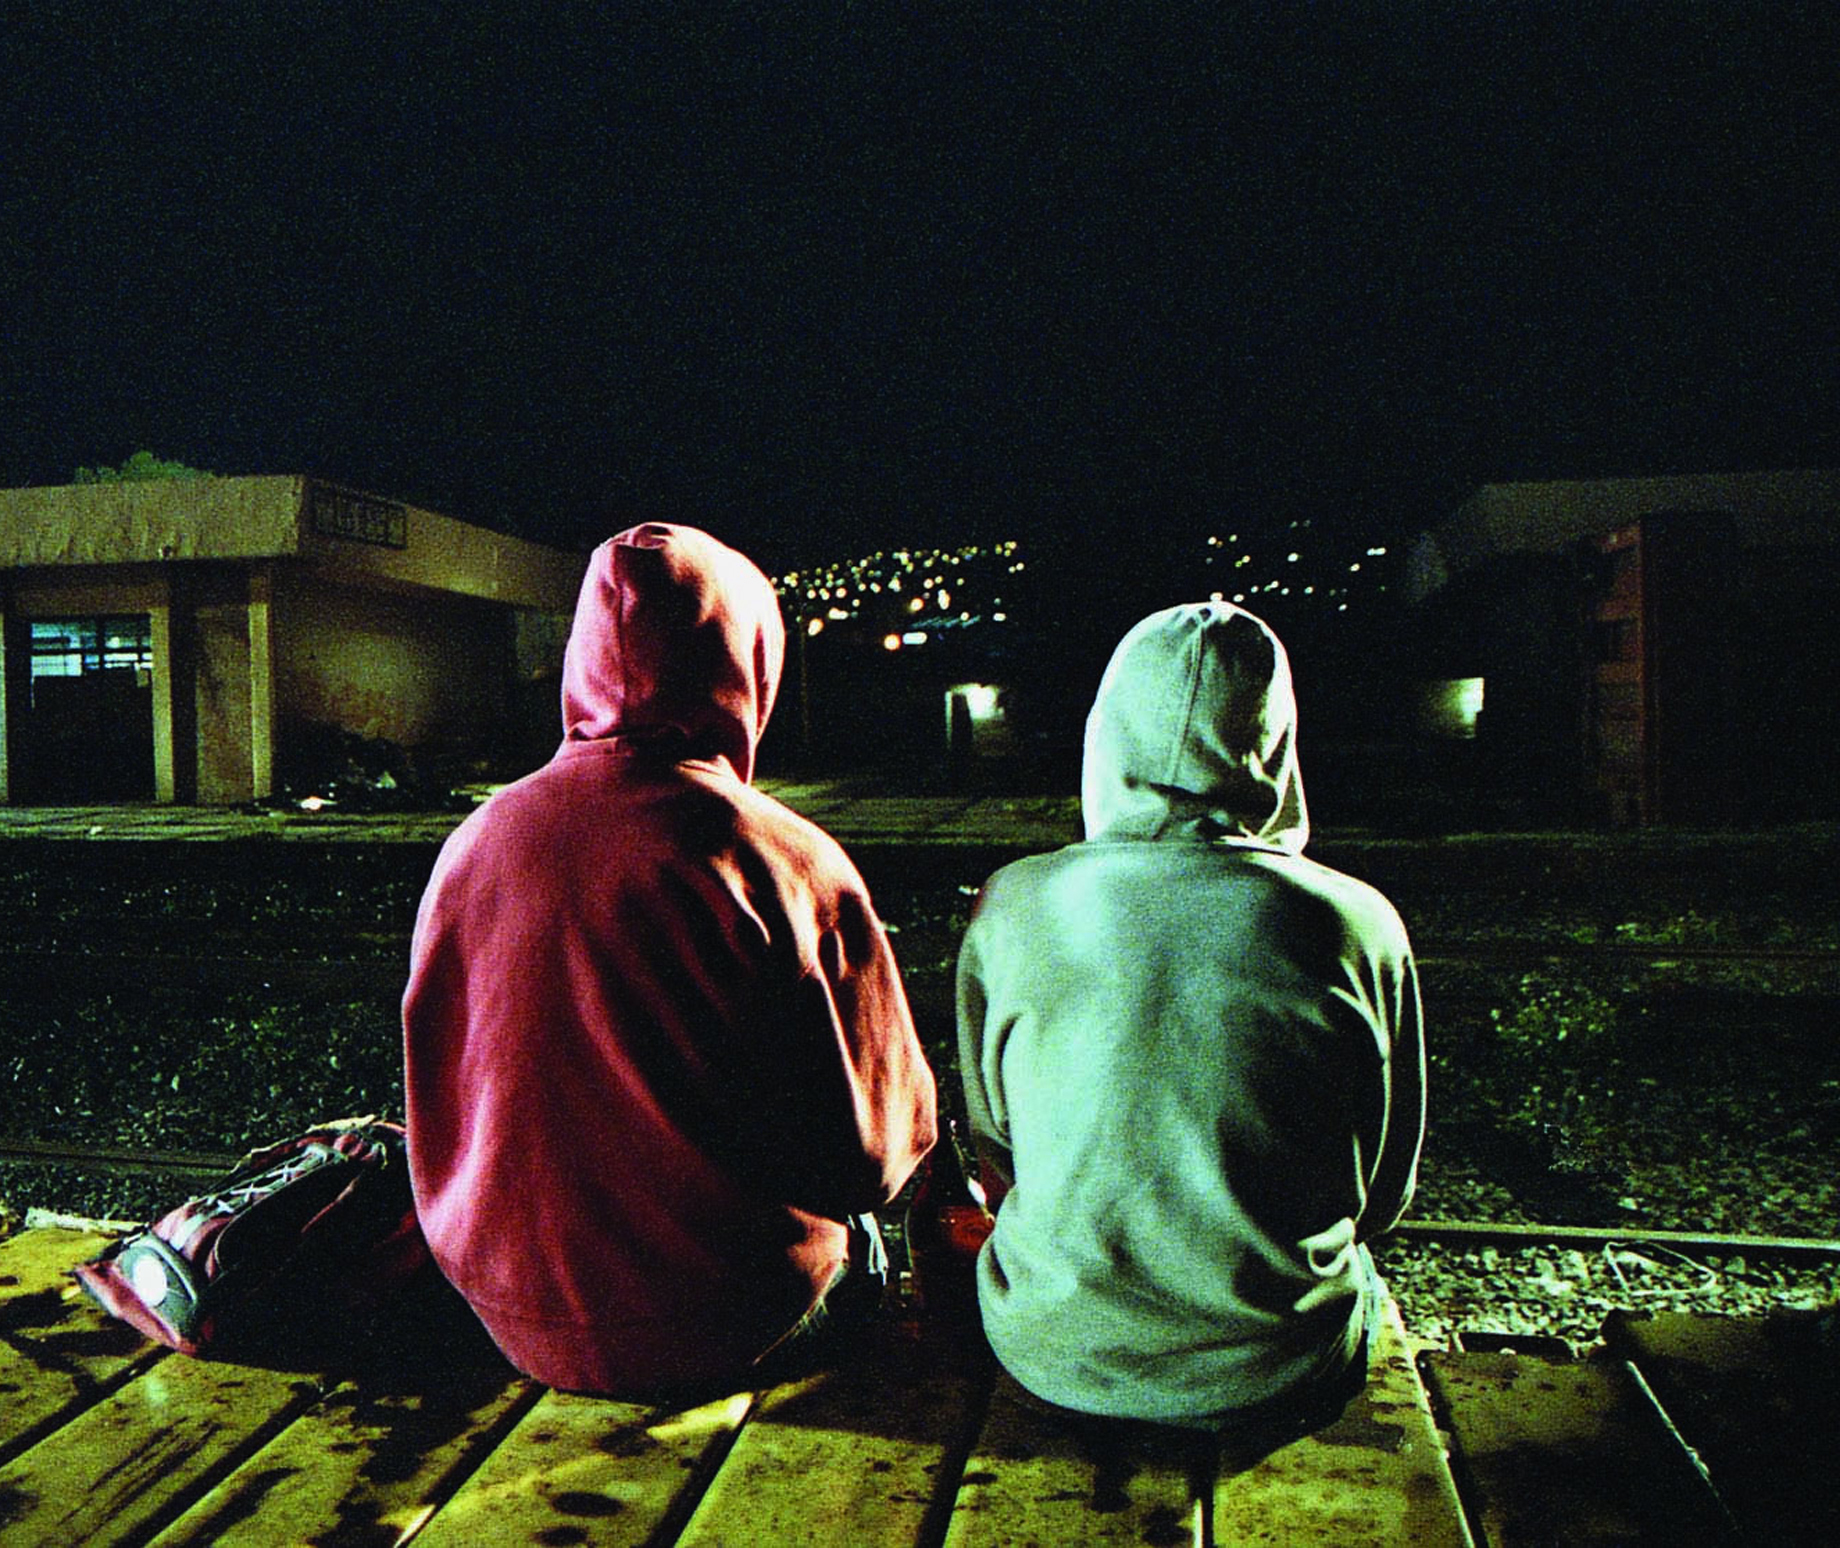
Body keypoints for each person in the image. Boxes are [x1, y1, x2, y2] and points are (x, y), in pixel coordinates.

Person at [403, 522, 937, 1397]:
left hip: (506, 1310)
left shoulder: (474, 841)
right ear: (746, 662)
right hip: (729, 1318)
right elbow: (874, 1156)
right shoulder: (780, 857)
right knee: (867, 1236)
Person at [956, 600, 1425, 1433]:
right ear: (1275, 742)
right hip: (1280, 1366)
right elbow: (1383, 1195)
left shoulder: (1014, 903)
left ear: (1107, 733)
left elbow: (999, 1150)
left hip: (1051, 1351)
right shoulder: (1355, 922)